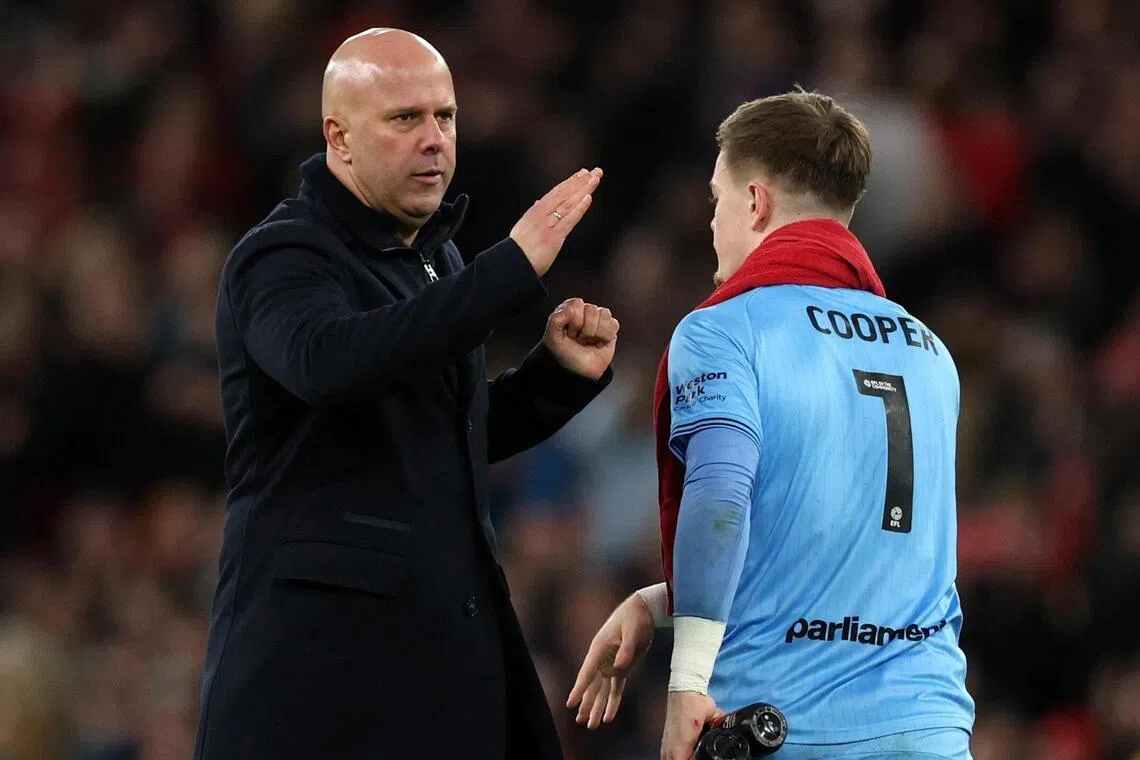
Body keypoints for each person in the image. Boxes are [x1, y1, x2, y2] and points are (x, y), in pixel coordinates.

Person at [194, 28, 618, 760]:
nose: (435, 140)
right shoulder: (284, 253)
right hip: (325, 687)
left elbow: (439, 436)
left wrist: (554, 379)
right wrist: (504, 273)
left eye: (445, 117)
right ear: (340, 134)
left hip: (436, 671)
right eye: (405, 119)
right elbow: (328, 364)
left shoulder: (433, 258)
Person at [567, 89, 976, 759]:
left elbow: (721, 499)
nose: (712, 225)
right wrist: (658, 601)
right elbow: (841, 555)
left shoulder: (727, 331)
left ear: (755, 202)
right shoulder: (930, 352)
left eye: (716, 200)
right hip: (930, 729)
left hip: (787, 728)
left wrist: (686, 680)